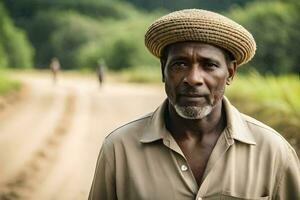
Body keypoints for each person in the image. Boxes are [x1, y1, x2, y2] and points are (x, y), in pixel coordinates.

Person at [89, 9, 300, 200]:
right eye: (180, 64)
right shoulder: (119, 148)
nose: (193, 78)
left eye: (209, 65)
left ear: (231, 73)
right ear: (163, 69)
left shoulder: (273, 151)